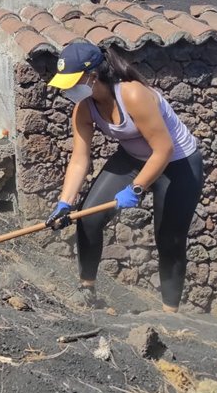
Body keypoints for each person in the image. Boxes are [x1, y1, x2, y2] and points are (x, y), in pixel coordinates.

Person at [44, 40, 205, 313]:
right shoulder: (83, 108)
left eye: (73, 81)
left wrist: (137, 188)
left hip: (178, 163)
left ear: (92, 77)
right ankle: (87, 292)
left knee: (169, 238)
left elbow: (164, 149)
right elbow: (80, 158)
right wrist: (64, 202)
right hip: (134, 157)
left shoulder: (132, 95)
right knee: (88, 216)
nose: (68, 89)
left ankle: (170, 315)